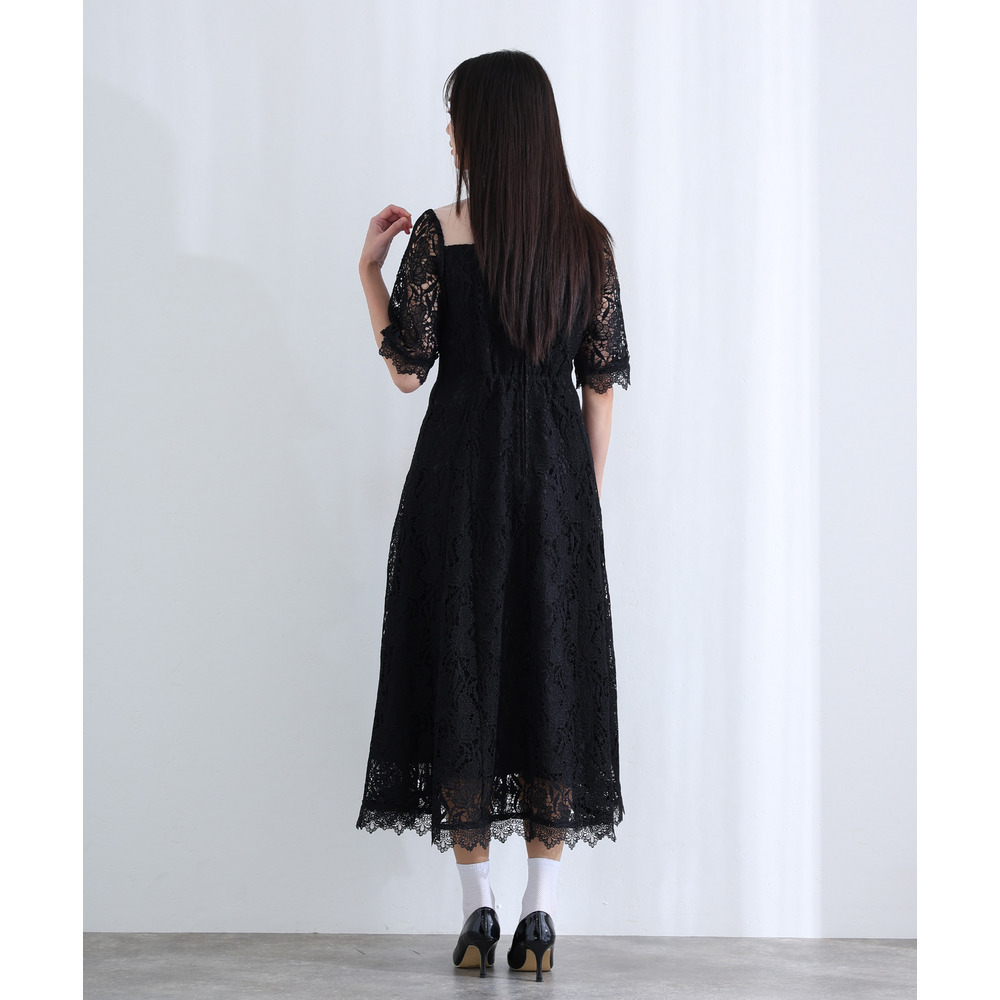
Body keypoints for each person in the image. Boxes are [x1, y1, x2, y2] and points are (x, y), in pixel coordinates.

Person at [355, 49, 630, 980]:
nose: (448, 132)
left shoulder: (441, 233)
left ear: (486, 128)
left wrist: (368, 270)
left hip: (458, 484)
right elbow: (599, 388)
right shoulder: (587, 241)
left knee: (462, 672)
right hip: (554, 488)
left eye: (457, 116)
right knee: (551, 679)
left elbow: (407, 370)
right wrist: (580, 507)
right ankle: (539, 918)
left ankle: (477, 914)